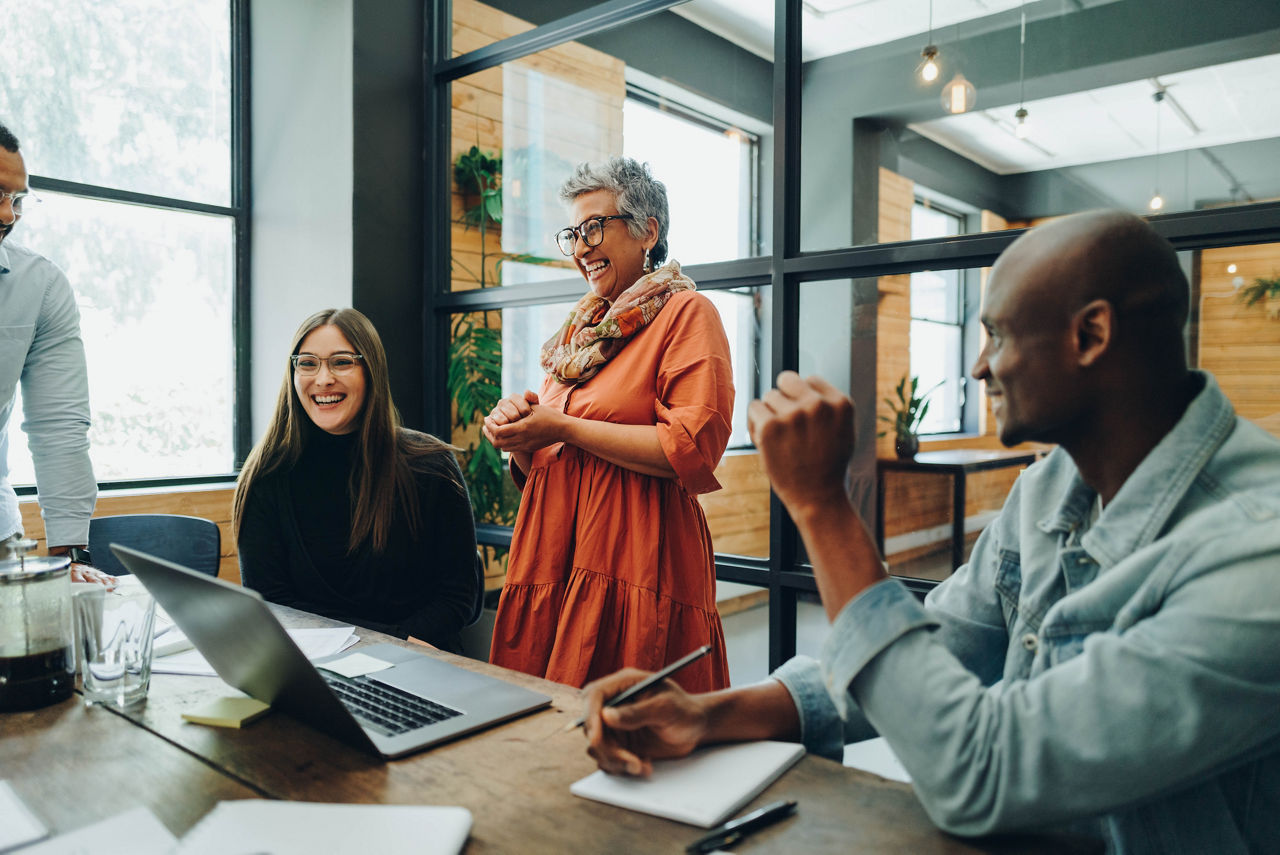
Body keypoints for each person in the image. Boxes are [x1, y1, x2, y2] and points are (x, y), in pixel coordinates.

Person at [580, 210, 1280, 852]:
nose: (980, 366)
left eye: (998, 334)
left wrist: (823, 506)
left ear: (1091, 335)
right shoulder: (1048, 486)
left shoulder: (1256, 558)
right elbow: (934, 647)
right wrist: (710, 714)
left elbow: (982, 770)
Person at [484, 157, 733, 692]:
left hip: (636, 558)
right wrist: (520, 435)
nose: (580, 247)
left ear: (648, 231)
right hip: (554, 555)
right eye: (573, 233)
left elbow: (689, 448)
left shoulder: (687, 314)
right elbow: (547, 463)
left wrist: (563, 428)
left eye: (595, 226)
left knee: (634, 729)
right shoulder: (579, 334)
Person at [233, 308, 480, 651]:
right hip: (313, 667)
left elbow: (459, 598)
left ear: (371, 371)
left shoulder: (431, 464)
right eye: (308, 363)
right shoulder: (266, 474)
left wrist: (393, 647)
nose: (323, 379)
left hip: (418, 661)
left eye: (341, 362)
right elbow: (272, 603)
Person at [0, 121, 112, 586]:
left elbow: (59, 426)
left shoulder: (40, 285)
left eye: (17, 199)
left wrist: (69, 560)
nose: (8, 215)